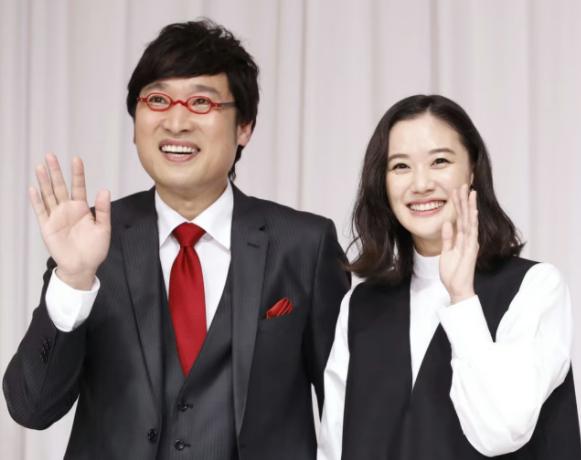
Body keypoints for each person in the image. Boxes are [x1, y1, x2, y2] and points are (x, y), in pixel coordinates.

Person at [3, 20, 350, 460]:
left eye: (201, 101)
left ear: (244, 126)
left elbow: (350, 407)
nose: (177, 121)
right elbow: (31, 408)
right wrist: (72, 280)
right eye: (158, 100)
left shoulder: (305, 245)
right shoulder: (91, 240)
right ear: (135, 123)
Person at [317, 94, 581, 459]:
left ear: (472, 170)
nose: (421, 183)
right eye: (400, 166)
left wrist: (461, 297)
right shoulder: (359, 306)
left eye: (439, 161)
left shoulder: (536, 288)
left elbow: (502, 430)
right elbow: (333, 447)